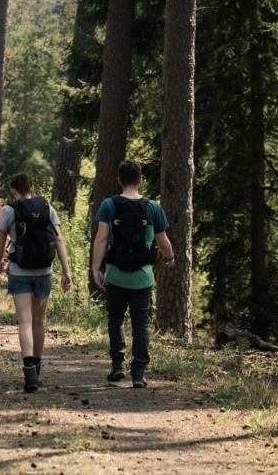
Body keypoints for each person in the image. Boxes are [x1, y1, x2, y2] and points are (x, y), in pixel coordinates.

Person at [91, 159, 174, 389]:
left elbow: (101, 238)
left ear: (119, 180)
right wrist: (170, 258)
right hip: (143, 277)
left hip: (116, 273)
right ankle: (138, 373)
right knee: (140, 323)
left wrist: (96, 268)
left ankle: (118, 365)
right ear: (141, 181)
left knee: (115, 318)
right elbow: (163, 241)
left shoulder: (109, 205)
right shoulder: (153, 207)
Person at [0, 172, 73, 393]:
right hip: (44, 272)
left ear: (14, 190)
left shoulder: (9, 210)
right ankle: (37, 367)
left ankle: (28, 370)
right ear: (33, 188)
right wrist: (66, 271)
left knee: (25, 322)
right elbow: (58, 239)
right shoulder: (48, 208)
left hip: (19, 271)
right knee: (39, 322)